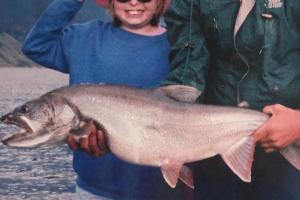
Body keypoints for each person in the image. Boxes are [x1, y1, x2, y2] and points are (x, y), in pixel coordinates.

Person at [21, 0, 190, 199]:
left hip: (164, 191)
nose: (134, 2)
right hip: (93, 191)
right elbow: (36, 46)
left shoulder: (183, 47)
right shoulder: (82, 38)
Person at [162, 0, 300, 200]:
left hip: (287, 153)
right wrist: (170, 128)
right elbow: (188, 70)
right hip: (216, 143)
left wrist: (297, 122)